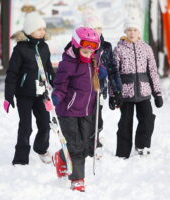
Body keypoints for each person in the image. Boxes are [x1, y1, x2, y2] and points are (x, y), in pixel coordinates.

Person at [51, 27, 100, 192]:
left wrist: (103, 74)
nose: (88, 55)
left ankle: (61, 156)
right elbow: (60, 84)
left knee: (85, 145)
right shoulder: (67, 64)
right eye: (85, 52)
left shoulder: (93, 62)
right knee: (76, 145)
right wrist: (56, 96)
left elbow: (96, 78)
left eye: (91, 52)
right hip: (68, 111)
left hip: (86, 111)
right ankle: (77, 180)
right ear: (76, 46)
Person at [4, 12, 55, 165]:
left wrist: (56, 85)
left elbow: (48, 69)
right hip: (24, 94)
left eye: (43, 29)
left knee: (45, 124)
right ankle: (20, 157)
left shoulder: (44, 47)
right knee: (26, 127)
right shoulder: (20, 49)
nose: (42, 32)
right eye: (39, 29)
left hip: (41, 93)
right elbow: (12, 73)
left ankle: (41, 148)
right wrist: (8, 95)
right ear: (29, 30)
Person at [113, 17, 163, 159]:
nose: (132, 33)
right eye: (129, 30)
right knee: (125, 123)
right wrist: (114, 94)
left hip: (144, 91)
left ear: (139, 32)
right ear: (125, 31)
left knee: (147, 119)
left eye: (134, 30)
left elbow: (152, 71)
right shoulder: (119, 49)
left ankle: (142, 145)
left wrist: (157, 93)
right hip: (126, 93)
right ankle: (122, 152)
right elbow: (114, 73)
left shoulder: (146, 49)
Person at [83, 14, 123, 157]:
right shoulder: (82, 46)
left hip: (98, 88)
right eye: (93, 28)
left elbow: (113, 69)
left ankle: (95, 142)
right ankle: (84, 143)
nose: (97, 31)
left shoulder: (106, 47)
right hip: (82, 90)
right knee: (85, 117)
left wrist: (117, 91)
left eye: (99, 27)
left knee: (97, 117)